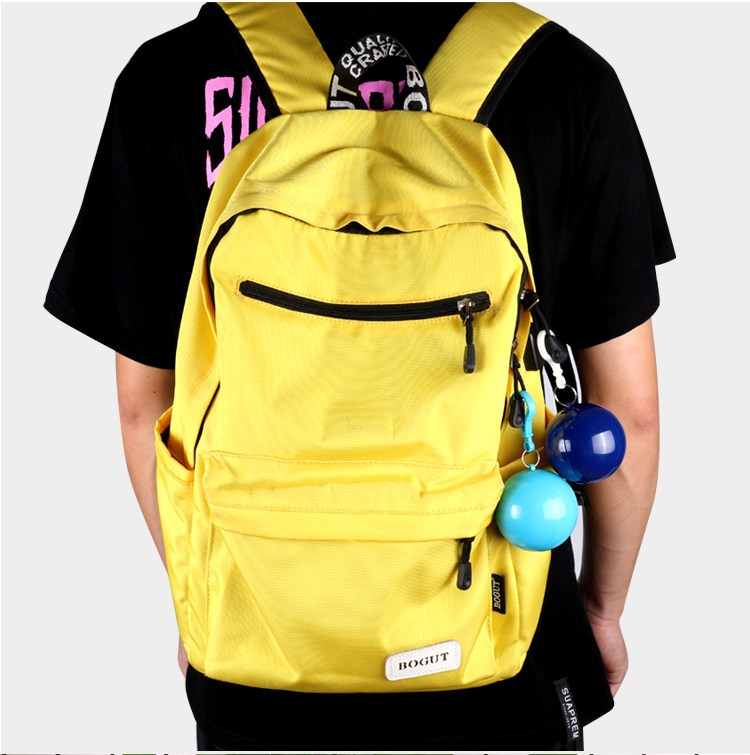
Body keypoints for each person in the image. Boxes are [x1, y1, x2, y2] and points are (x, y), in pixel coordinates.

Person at [44, 3, 674, 750]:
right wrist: (600, 610)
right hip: (504, 632)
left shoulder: (171, 77)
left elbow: (144, 406)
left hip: (256, 643)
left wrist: (198, 595)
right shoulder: (563, 79)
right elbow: (628, 412)